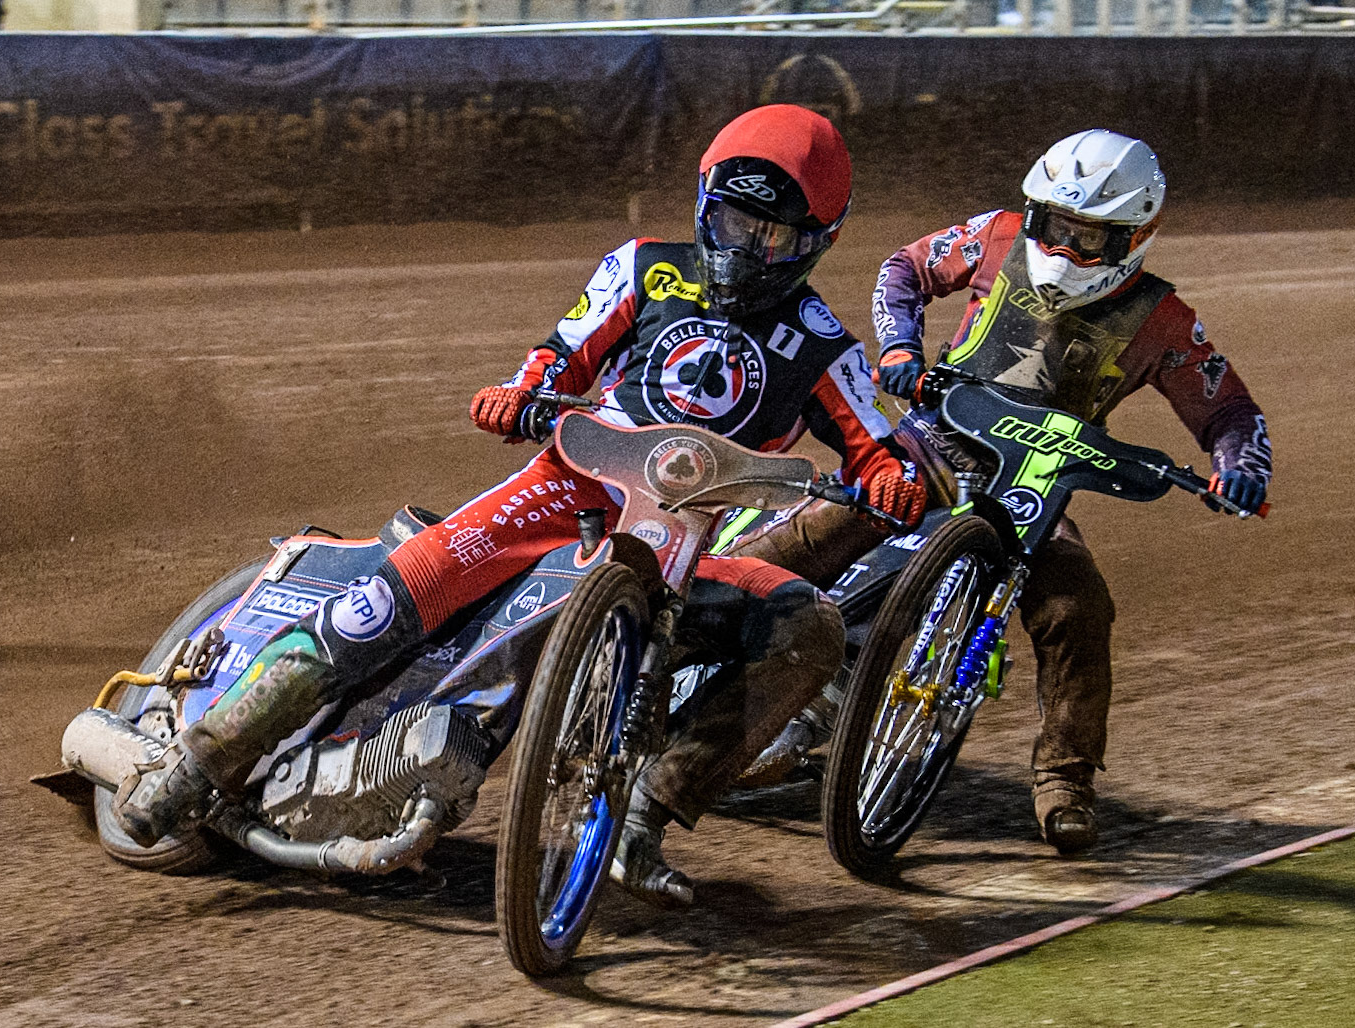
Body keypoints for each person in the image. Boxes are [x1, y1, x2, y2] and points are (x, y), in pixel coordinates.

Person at [111, 104, 927, 905]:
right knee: (372, 612)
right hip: (556, 492)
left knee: (807, 628)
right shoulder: (645, 266)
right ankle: (196, 764)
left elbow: (878, 445)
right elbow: (561, 353)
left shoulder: (823, 344)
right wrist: (520, 393)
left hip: (678, 545)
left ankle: (644, 814)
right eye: (732, 220)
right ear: (704, 203)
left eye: (771, 235)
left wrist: (892, 480)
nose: (745, 248)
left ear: (816, 243)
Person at [733, 129, 1272, 854]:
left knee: (1076, 606)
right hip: (934, 439)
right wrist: (898, 348)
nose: (1064, 247)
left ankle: (1064, 782)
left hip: (1037, 482)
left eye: (1089, 237)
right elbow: (903, 269)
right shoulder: (993, 236)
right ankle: (677, 643)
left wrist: (1240, 466)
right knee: (807, 541)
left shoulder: (1162, 319)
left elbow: (1227, 408)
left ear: (1135, 236)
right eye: (1054, 225)